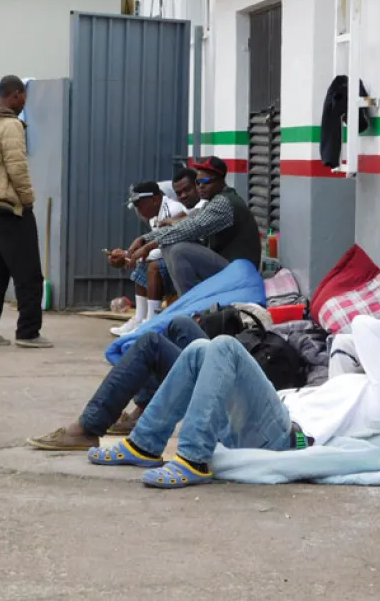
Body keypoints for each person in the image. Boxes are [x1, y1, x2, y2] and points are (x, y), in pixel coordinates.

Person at [83, 316, 380, 489]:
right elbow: (343, 341)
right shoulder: (357, 387)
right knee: (198, 350)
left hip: (285, 436)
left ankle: (193, 458)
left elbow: (364, 324)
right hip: (266, 421)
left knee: (224, 346)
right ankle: (145, 444)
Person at [27, 315, 209, 449]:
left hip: (232, 387)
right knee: (180, 323)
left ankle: (88, 428)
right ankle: (142, 413)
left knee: (151, 344)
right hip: (233, 364)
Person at [0, 75, 52, 348]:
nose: (24, 101)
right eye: (23, 96)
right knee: (28, 272)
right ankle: (28, 332)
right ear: (15, 95)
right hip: (9, 209)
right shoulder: (10, 125)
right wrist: (27, 200)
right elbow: (18, 168)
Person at [126, 157, 261, 297]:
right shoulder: (213, 201)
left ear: (221, 180)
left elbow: (190, 228)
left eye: (205, 181)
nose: (200, 186)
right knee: (169, 244)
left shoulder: (223, 202)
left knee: (178, 249)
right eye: (198, 182)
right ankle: (187, 301)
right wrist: (144, 238)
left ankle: (190, 304)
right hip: (231, 269)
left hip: (239, 275)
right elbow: (185, 225)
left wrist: (148, 246)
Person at [108, 182, 187, 336]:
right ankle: (140, 317)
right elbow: (156, 246)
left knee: (151, 266)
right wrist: (128, 254)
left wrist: (133, 255)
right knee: (143, 264)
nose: (138, 210)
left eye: (140, 204)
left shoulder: (173, 209)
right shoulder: (153, 218)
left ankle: (152, 319)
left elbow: (169, 245)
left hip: (182, 260)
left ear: (155, 200)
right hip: (170, 256)